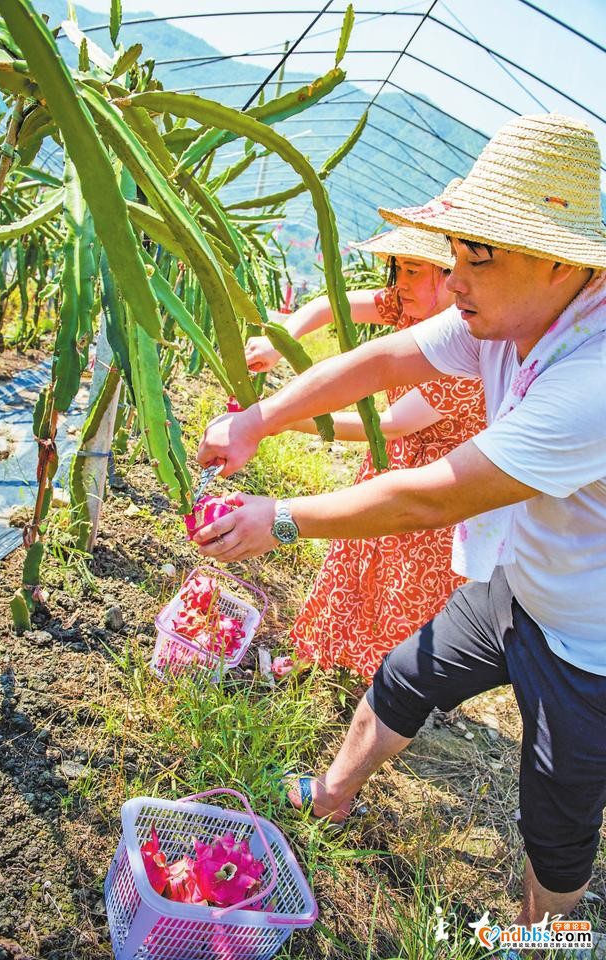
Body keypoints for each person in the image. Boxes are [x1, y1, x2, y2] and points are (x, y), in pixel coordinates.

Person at [194, 112, 606, 927]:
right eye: (453, 255)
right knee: (404, 675)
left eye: (474, 256)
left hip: (591, 647)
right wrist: (259, 420)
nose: (453, 280)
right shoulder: (509, 313)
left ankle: (542, 938)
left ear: (561, 262)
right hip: (519, 586)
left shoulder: (591, 382)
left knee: (554, 830)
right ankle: (331, 794)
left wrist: (281, 518)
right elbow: (386, 356)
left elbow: (433, 492)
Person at [247, 226, 485, 679]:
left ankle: (384, 688)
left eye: (414, 270)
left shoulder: (471, 346)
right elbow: (328, 305)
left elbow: (390, 424)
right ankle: (318, 654)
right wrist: (282, 338)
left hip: (437, 488)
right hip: (391, 460)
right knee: (351, 559)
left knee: (404, 589)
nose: (401, 283)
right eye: (398, 269)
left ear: (450, 274)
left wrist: (278, 420)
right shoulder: (405, 304)